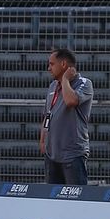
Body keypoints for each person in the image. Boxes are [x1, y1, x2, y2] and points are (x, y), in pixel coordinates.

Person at [40, 47, 94, 185]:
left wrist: (65, 80)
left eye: (52, 64)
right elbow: (48, 114)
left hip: (73, 155)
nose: (48, 68)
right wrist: (43, 139)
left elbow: (71, 101)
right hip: (52, 153)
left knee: (75, 200)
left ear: (63, 64)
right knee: (53, 201)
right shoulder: (52, 86)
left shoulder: (84, 83)